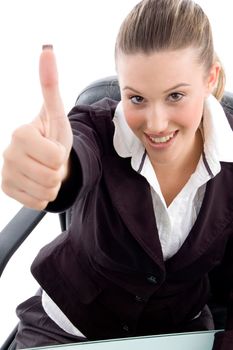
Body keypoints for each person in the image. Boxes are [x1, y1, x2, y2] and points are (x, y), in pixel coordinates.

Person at [1, 0, 233, 349]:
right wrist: (56, 168)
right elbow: (76, 153)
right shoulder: (97, 129)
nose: (155, 124)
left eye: (175, 96)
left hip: (178, 333)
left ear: (210, 78)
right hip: (69, 327)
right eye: (137, 98)